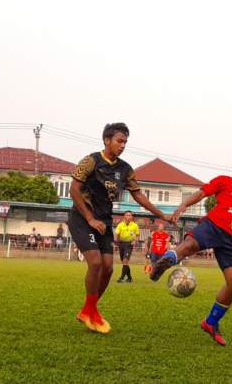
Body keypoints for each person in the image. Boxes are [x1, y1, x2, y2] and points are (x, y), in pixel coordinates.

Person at [68, 122, 168, 334]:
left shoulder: (125, 169)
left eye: (125, 142)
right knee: (95, 263)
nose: (122, 145)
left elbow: (138, 194)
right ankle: (90, 311)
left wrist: (161, 215)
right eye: (119, 141)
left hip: (103, 222)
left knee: (109, 268)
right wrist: (89, 217)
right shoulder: (90, 161)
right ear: (107, 140)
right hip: (82, 218)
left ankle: (89, 310)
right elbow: (74, 189)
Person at [152, 148, 232, 346]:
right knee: (190, 244)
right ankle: (166, 261)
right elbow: (202, 193)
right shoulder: (224, 181)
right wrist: (183, 205)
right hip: (214, 225)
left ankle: (210, 323)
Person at [114, 211, 140, 283]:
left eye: (130, 215)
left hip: (129, 244)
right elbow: (116, 233)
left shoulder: (135, 225)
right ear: (124, 216)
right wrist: (116, 242)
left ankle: (121, 278)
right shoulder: (120, 225)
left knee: (125, 260)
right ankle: (129, 278)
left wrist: (135, 241)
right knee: (124, 262)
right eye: (127, 215)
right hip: (121, 243)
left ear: (132, 217)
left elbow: (137, 235)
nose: (128, 216)